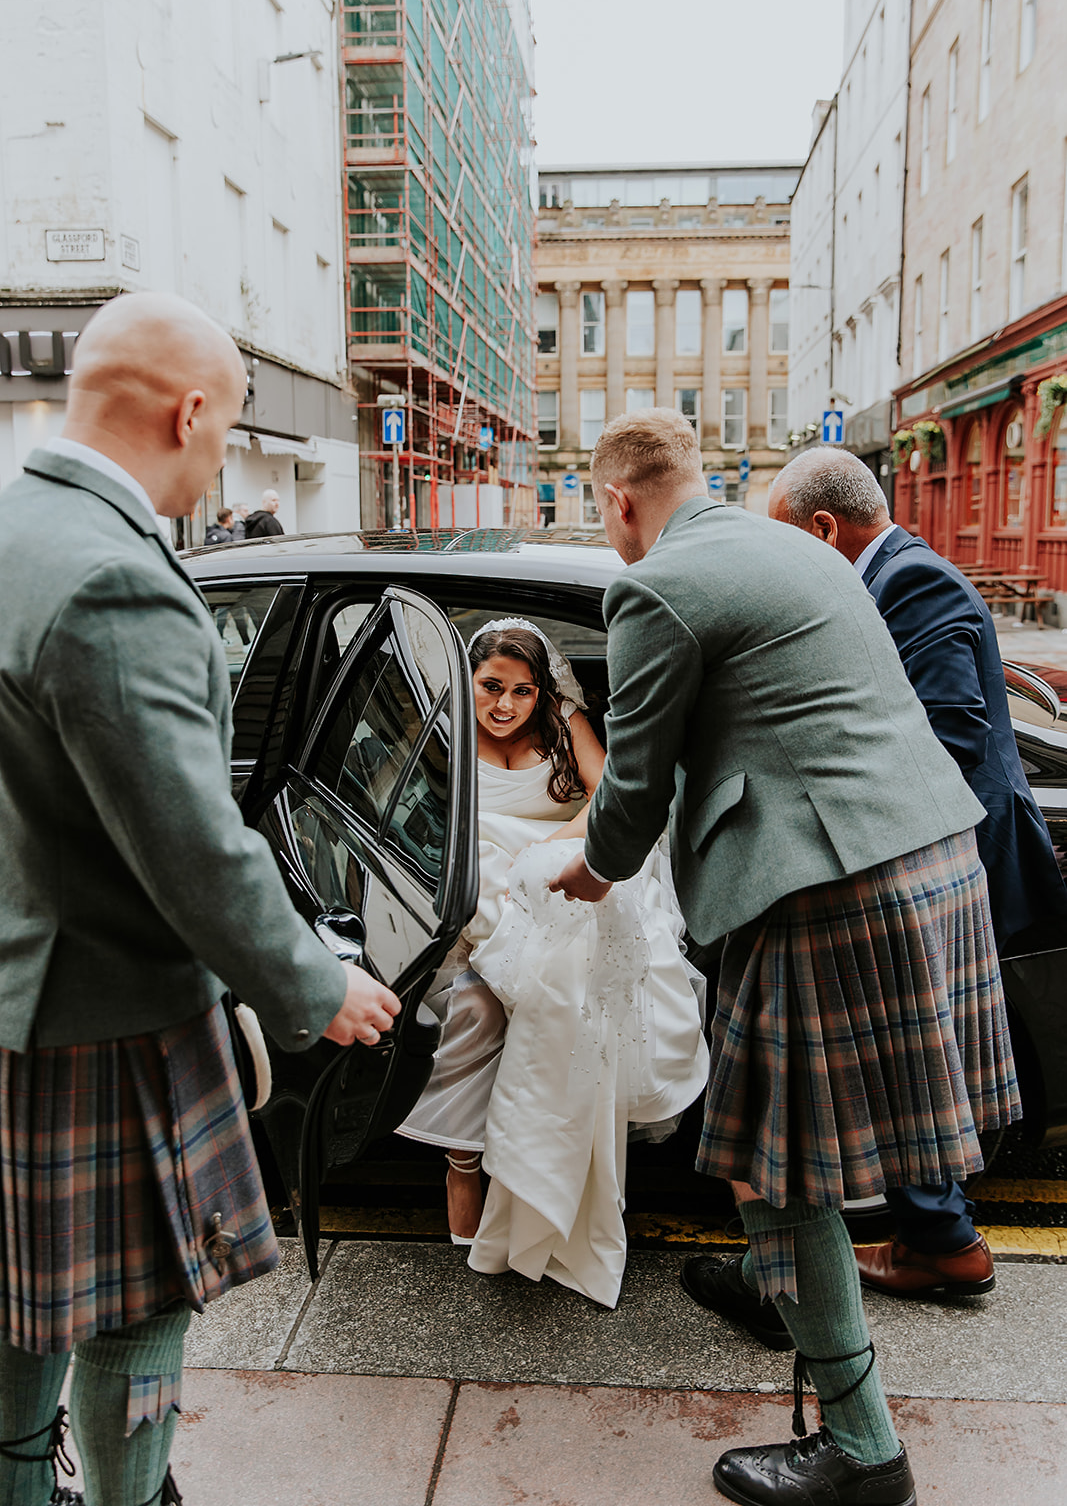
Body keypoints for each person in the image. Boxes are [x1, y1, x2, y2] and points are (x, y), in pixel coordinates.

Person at [549, 409, 1019, 1506]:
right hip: (927, 857)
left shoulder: (653, 585)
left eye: (601, 513)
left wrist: (597, 868)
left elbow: (636, 781)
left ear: (620, 500)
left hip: (830, 889)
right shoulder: (791, 547)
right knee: (780, 1148)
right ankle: (775, 1284)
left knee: (776, 1168)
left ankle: (861, 1447)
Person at [0, 292, 401, 1506]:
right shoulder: (119, 579)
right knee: (137, 1308)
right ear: (187, 413)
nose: (223, 451)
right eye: (226, 425)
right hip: (110, 1015)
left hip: (18, 988)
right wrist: (312, 982)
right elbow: (190, 847)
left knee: (25, 1304)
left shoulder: (14, 531)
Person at [769, 445, 1067, 1303]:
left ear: (823, 530)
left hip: (945, 854)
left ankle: (941, 1241)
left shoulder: (913, 583)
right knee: (913, 1044)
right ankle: (930, 1229)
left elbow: (948, 739)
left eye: (784, 543)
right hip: (923, 845)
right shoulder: (885, 577)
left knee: (917, 1046)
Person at [398, 619, 709, 1308]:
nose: (504, 705)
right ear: (469, 681)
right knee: (510, 958)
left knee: (585, 959)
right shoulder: (445, 728)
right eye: (490, 688)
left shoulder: (564, 723)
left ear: (544, 690)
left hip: (560, 862)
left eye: (520, 690)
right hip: (484, 872)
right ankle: (473, 1166)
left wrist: (553, 855)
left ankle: (554, 1154)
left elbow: (606, 798)